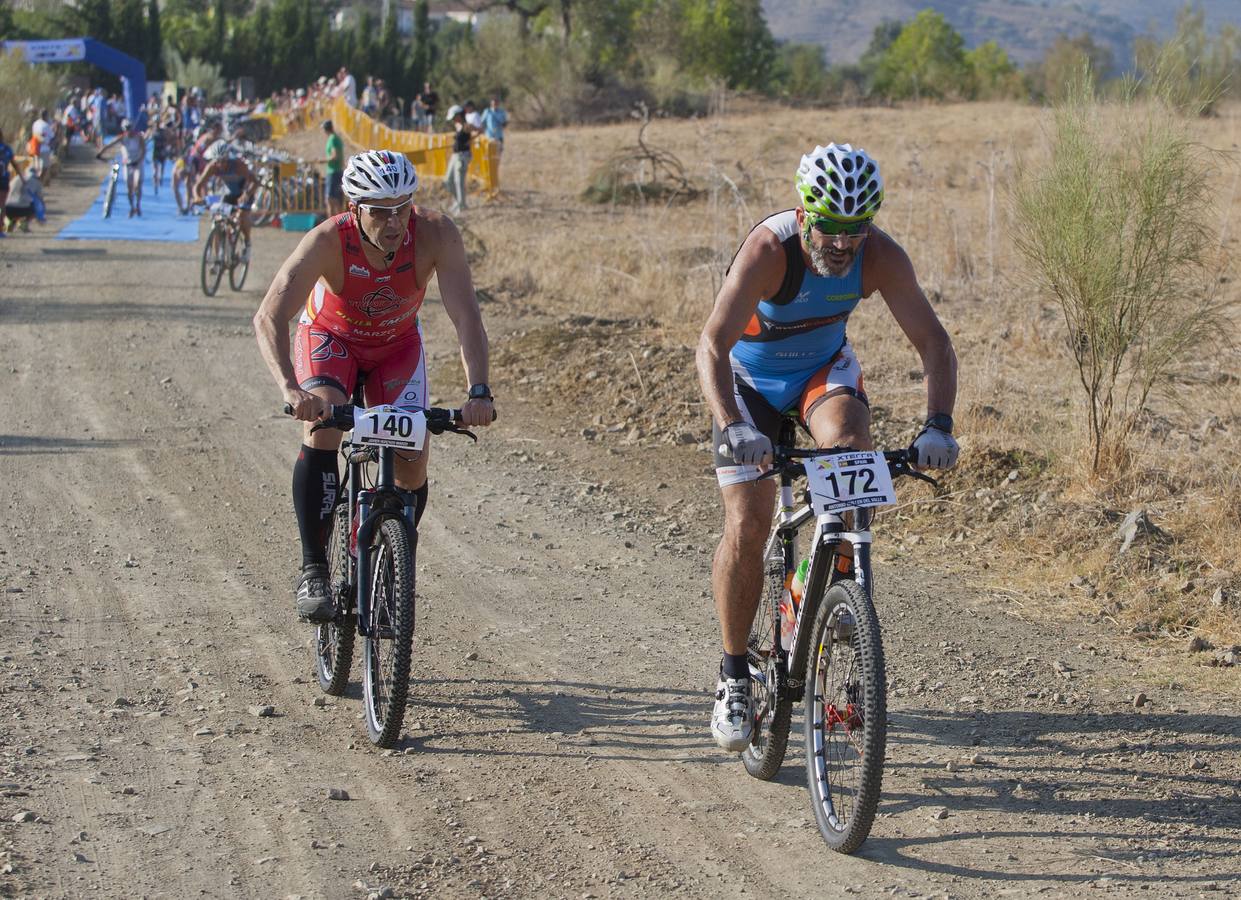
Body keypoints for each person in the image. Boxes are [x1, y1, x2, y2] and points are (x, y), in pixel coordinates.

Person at [696, 143, 959, 752]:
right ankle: (735, 673)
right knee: (750, 519)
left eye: (857, 229)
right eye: (832, 228)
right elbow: (711, 345)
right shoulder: (770, 250)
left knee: (851, 450)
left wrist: (938, 424)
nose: (844, 244)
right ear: (805, 213)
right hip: (749, 384)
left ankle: (838, 594)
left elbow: (934, 345)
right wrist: (734, 425)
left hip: (821, 372)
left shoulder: (881, 257)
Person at [253, 150, 494, 621]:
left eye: (402, 207)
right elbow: (269, 315)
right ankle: (314, 570)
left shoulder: (437, 234)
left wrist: (479, 391)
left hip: (395, 346)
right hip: (332, 340)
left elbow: (466, 314)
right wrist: (289, 387)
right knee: (324, 424)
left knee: (412, 458)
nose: (393, 221)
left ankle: (389, 560)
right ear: (353, 207)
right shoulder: (328, 239)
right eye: (379, 210)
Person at [194, 140, 257, 251]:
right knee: (218, 220)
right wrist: (197, 197)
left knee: (242, 216)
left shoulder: (238, 165)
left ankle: (247, 243)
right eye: (218, 161)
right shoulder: (212, 167)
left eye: (223, 161)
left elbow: (253, 182)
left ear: (228, 158)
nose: (221, 165)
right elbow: (198, 185)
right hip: (229, 193)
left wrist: (246, 194)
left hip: (245, 192)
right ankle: (217, 258)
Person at [97, 118, 147, 217]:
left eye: (129, 128)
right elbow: (110, 144)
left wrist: (139, 160)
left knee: (137, 185)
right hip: (128, 164)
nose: (128, 131)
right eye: (126, 129)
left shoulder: (138, 137)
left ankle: (138, 205)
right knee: (129, 189)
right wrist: (100, 153)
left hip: (137, 164)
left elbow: (144, 150)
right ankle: (132, 207)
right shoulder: (122, 137)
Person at [443, 105, 475, 215]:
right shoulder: (458, 126)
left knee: (459, 182)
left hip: (462, 156)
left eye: (454, 117)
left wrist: (471, 140)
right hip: (455, 155)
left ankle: (461, 206)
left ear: (459, 115)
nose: (453, 120)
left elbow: (479, 129)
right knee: (448, 181)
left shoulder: (467, 126)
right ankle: (459, 202)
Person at [4, 164, 45, 233]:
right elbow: (40, 198)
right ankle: (24, 224)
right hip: (23, 209)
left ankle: (10, 223)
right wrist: (41, 215)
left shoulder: (16, 178)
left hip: (7, 208)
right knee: (35, 206)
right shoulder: (37, 182)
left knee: (12, 210)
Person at [480, 97, 508, 187]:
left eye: (496, 103)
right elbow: (481, 122)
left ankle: (495, 176)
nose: (494, 104)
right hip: (489, 138)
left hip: (499, 137)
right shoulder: (487, 112)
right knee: (488, 158)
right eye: (493, 103)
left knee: (497, 157)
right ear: (490, 103)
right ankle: (489, 178)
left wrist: (501, 121)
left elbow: (505, 123)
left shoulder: (501, 112)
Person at [321, 119, 345, 217]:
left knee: (331, 200)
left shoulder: (333, 139)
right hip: (337, 171)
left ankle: (333, 225)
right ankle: (339, 224)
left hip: (334, 171)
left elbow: (335, 156)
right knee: (336, 200)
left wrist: (323, 160)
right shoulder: (336, 138)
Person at [0, 128, 15, 238]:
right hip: (4, 180)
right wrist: (23, 178)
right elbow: (14, 163)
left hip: (4, 180)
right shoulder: (7, 149)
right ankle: (0, 229)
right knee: (2, 205)